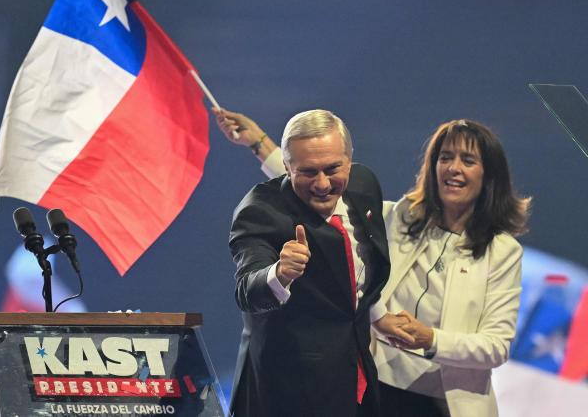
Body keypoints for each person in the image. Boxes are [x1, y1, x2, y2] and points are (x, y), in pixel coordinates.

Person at [217, 108, 530, 417]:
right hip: (380, 387)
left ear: (489, 175)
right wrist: (260, 144)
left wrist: (430, 339)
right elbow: (310, 192)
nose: (453, 169)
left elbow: (496, 347)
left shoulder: (502, 251)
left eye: (468, 160)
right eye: (445, 157)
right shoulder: (401, 218)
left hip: (448, 402)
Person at [228, 109, 413, 417]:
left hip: (358, 381)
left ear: (350, 161)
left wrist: (376, 313)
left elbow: (359, 269)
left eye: (333, 169)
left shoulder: (363, 185)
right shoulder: (259, 212)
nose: (323, 184)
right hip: (287, 393)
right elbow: (248, 289)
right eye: (308, 172)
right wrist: (280, 273)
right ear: (287, 167)